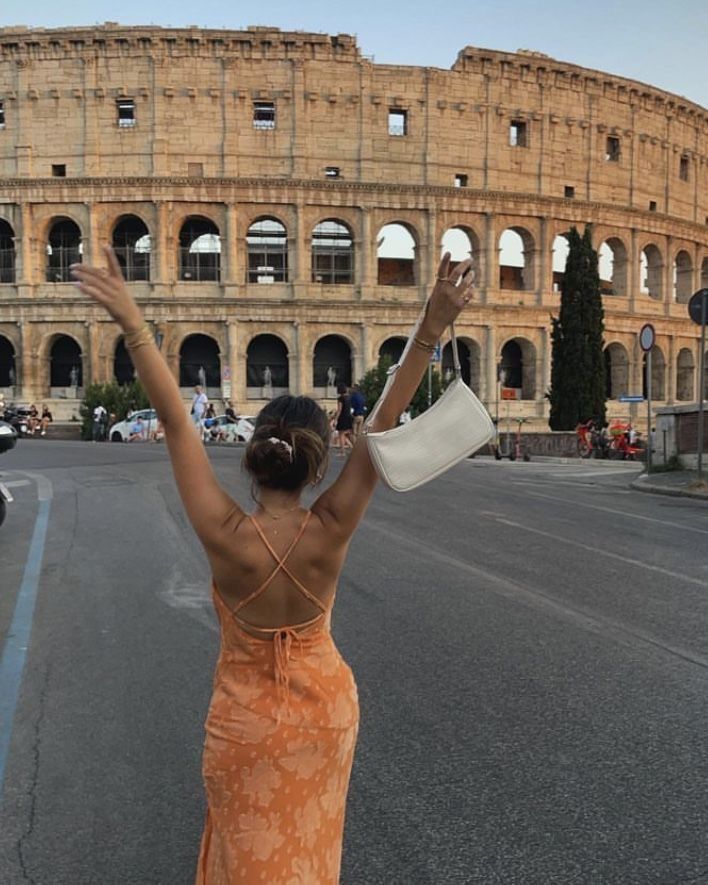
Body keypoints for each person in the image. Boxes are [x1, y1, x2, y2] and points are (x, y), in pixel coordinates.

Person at [70, 246, 474, 884]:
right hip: (325, 718)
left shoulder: (227, 536)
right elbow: (383, 426)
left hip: (245, 729)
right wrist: (429, 327)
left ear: (256, 454)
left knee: (246, 861)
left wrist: (132, 321)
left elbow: (176, 423)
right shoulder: (332, 528)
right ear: (317, 467)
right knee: (309, 858)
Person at [334, 383, 354, 456]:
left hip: (343, 417)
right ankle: (354, 448)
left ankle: (342, 452)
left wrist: (336, 419)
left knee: (341, 434)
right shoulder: (349, 397)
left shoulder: (341, 399)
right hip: (348, 416)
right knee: (348, 433)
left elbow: (339, 409)